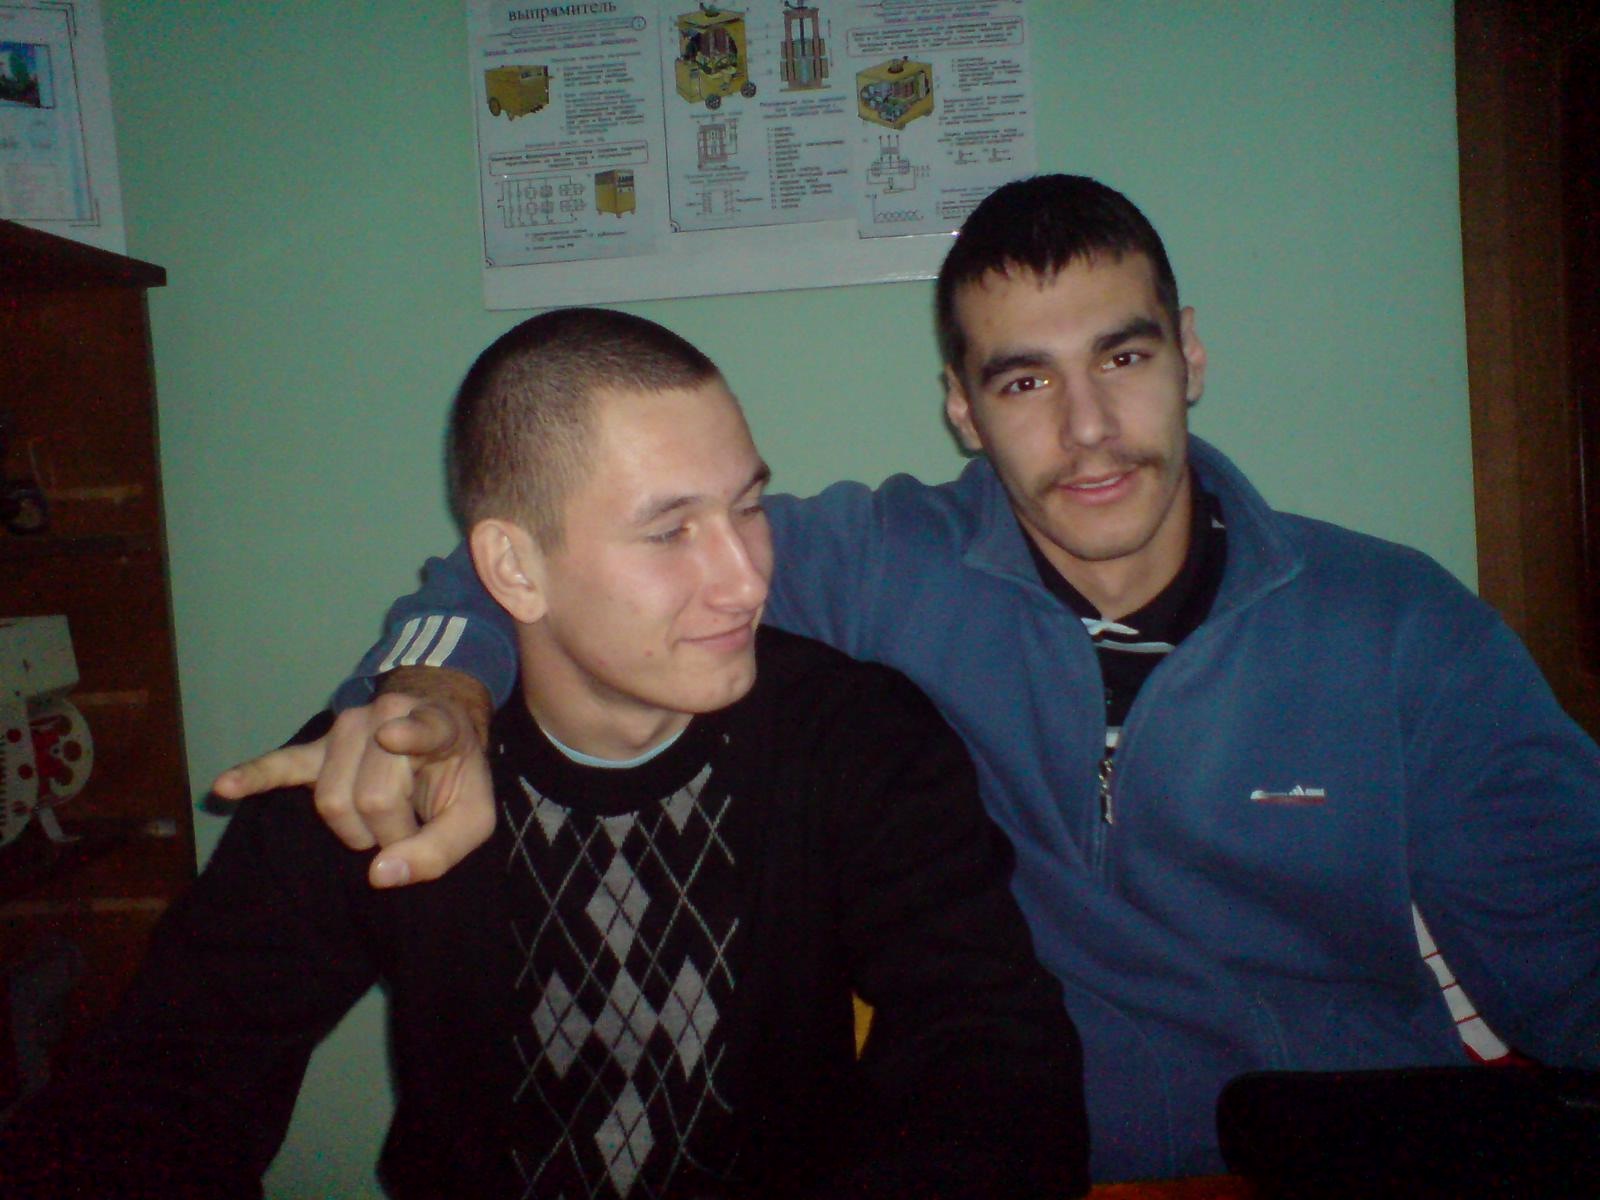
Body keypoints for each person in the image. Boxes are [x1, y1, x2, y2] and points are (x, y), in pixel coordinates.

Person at [218, 175, 1600, 1182]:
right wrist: (440, 692)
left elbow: (1570, 942)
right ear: (960, 409)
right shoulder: (887, 563)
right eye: (1022, 383)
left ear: (1188, 354)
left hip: (1327, 1155)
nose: (1088, 429)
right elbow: (535, 566)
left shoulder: (1398, 624)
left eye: (1123, 357)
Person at [1, 309, 1087, 1199]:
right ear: (513, 571)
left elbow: (991, 1053)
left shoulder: (856, 738)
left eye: (748, 506)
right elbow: (159, 1089)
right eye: (670, 530)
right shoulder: (394, 769)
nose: (747, 578)